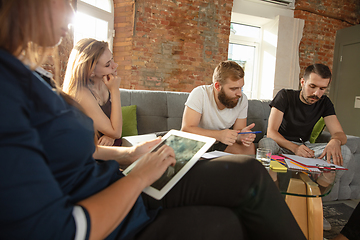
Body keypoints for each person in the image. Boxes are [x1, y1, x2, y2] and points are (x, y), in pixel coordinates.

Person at [0, 1, 307, 239]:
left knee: (247, 171)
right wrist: (138, 177)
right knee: (224, 224)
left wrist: (129, 154)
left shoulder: (32, 76)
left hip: (116, 181)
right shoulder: (9, 90)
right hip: (111, 207)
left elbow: (80, 149)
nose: (69, 12)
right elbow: (58, 230)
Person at [258, 63, 352, 231]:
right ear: (302, 82)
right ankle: (276, 207)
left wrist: (334, 141)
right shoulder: (285, 96)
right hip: (280, 143)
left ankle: (316, 204)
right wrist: (294, 148)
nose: (317, 93)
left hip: (305, 146)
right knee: (266, 145)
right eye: (312, 86)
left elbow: (340, 134)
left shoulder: (325, 103)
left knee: (344, 150)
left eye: (322, 88)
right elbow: (271, 132)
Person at [181, 60, 256, 154]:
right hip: (197, 142)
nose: (239, 94)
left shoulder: (242, 99)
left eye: (241, 87)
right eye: (233, 89)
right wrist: (219, 135)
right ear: (217, 86)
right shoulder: (200, 93)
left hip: (221, 143)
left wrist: (242, 136)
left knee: (249, 149)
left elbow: (238, 131)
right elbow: (187, 129)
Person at [63, 38, 123, 146]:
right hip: (93, 154)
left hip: (112, 148)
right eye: (108, 64)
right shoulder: (80, 93)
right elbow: (117, 132)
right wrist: (115, 91)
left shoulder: (105, 83)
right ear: (91, 72)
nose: (115, 65)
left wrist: (110, 136)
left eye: (112, 59)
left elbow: (115, 130)